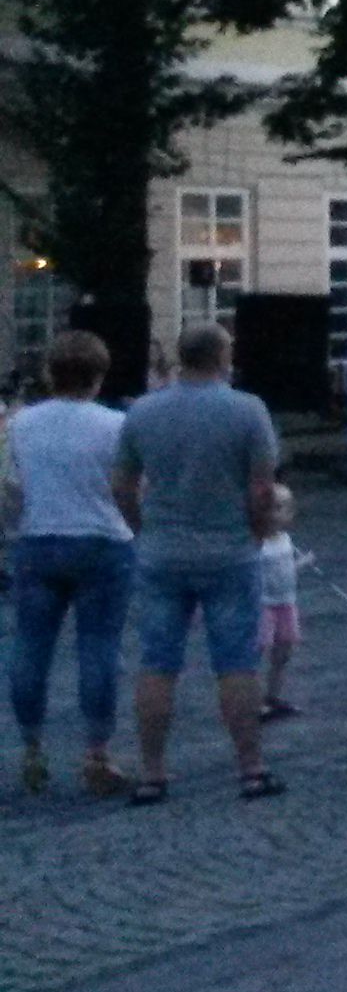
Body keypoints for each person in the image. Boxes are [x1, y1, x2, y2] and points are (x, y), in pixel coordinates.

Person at [111, 322, 285, 803]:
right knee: (236, 663)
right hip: (228, 549)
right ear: (222, 357)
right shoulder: (247, 410)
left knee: (158, 663)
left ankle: (152, 773)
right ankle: (250, 768)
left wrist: (141, 528)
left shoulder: (143, 411)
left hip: (162, 551)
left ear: (179, 358)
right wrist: (256, 531)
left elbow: (122, 483)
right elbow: (262, 487)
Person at [6, 330, 133, 797]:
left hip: (39, 538)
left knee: (31, 647)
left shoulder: (23, 423)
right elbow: (128, 486)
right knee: (99, 647)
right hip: (102, 541)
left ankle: (32, 749)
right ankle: (97, 753)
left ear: (49, 373)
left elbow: (11, 486)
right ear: (99, 377)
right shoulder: (115, 425)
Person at [255, 487, 305, 723]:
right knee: (258, 650)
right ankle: (253, 701)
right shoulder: (256, 542)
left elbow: (286, 570)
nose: (274, 514)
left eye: (280, 508)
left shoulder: (286, 540)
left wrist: (302, 564)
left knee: (284, 650)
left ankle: (272, 696)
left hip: (286, 603)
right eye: (269, 508)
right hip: (263, 604)